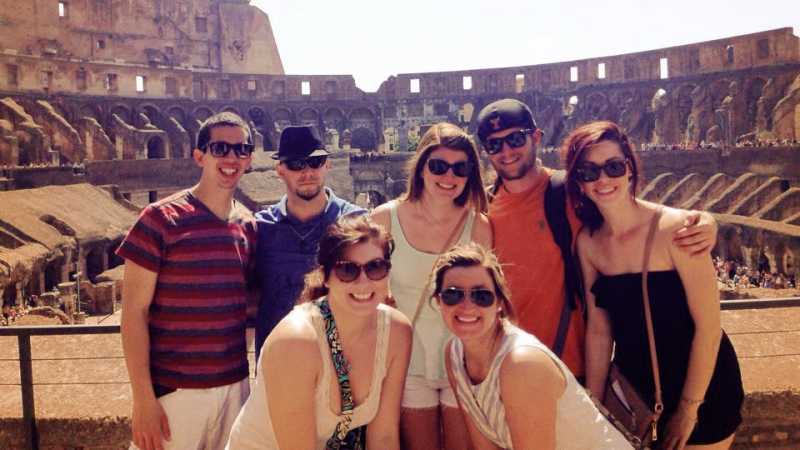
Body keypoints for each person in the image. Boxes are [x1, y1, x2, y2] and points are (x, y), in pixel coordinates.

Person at [475, 98, 718, 380]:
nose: (506, 151)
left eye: (515, 139)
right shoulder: (481, 208)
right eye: (494, 144)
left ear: (536, 137)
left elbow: (630, 213)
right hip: (508, 363)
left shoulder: (571, 191)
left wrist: (705, 222)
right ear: (486, 151)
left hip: (570, 365)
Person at [567, 121, 744, 449]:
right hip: (636, 389)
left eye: (613, 167)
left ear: (630, 169)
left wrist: (689, 410)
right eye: (589, 171)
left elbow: (709, 327)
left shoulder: (676, 230)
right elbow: (599, 329)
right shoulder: (589, 244)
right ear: (578, 181)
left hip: (703, 385)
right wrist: (595, 403)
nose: (603, 179)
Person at [117, 112, 257, 450]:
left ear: (250, 158)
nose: (231, 158)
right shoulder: (159, 218)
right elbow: (133, 313)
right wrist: (143, 399)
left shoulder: (248, 225)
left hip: (235, 387)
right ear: (199, 156)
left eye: (241, 149)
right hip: (175, 393)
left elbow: (248, 310)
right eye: (220, 148)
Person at [227, 215, 412, 449]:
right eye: (347, 270)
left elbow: (384, 436)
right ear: (325, 277)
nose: (364, 281)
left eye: (375, 267)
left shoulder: (397, 332)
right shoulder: (297, 341)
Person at [435, 243, 632, 450]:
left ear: (500, 303)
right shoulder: (454, 354)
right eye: (453, 295)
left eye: (481, 296)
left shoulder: (521, 364)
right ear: (438, 301)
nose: (467, 306)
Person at [370, 122, 492, 450]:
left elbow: (485, 298)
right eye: (438, 165)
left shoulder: (478, 226)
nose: (448, 177)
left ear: (471, 174)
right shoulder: (385, 220)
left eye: (460, 168)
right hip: (408, 360)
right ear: (421, 167)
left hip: (462, 359)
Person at [254, 125, 363, 361]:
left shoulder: (357, 222)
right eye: (296, 164)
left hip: (343, 362)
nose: (307, 172)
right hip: (279, 363)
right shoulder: (261, 228)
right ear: (280, 169)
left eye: (316, 162)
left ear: (328, 164)